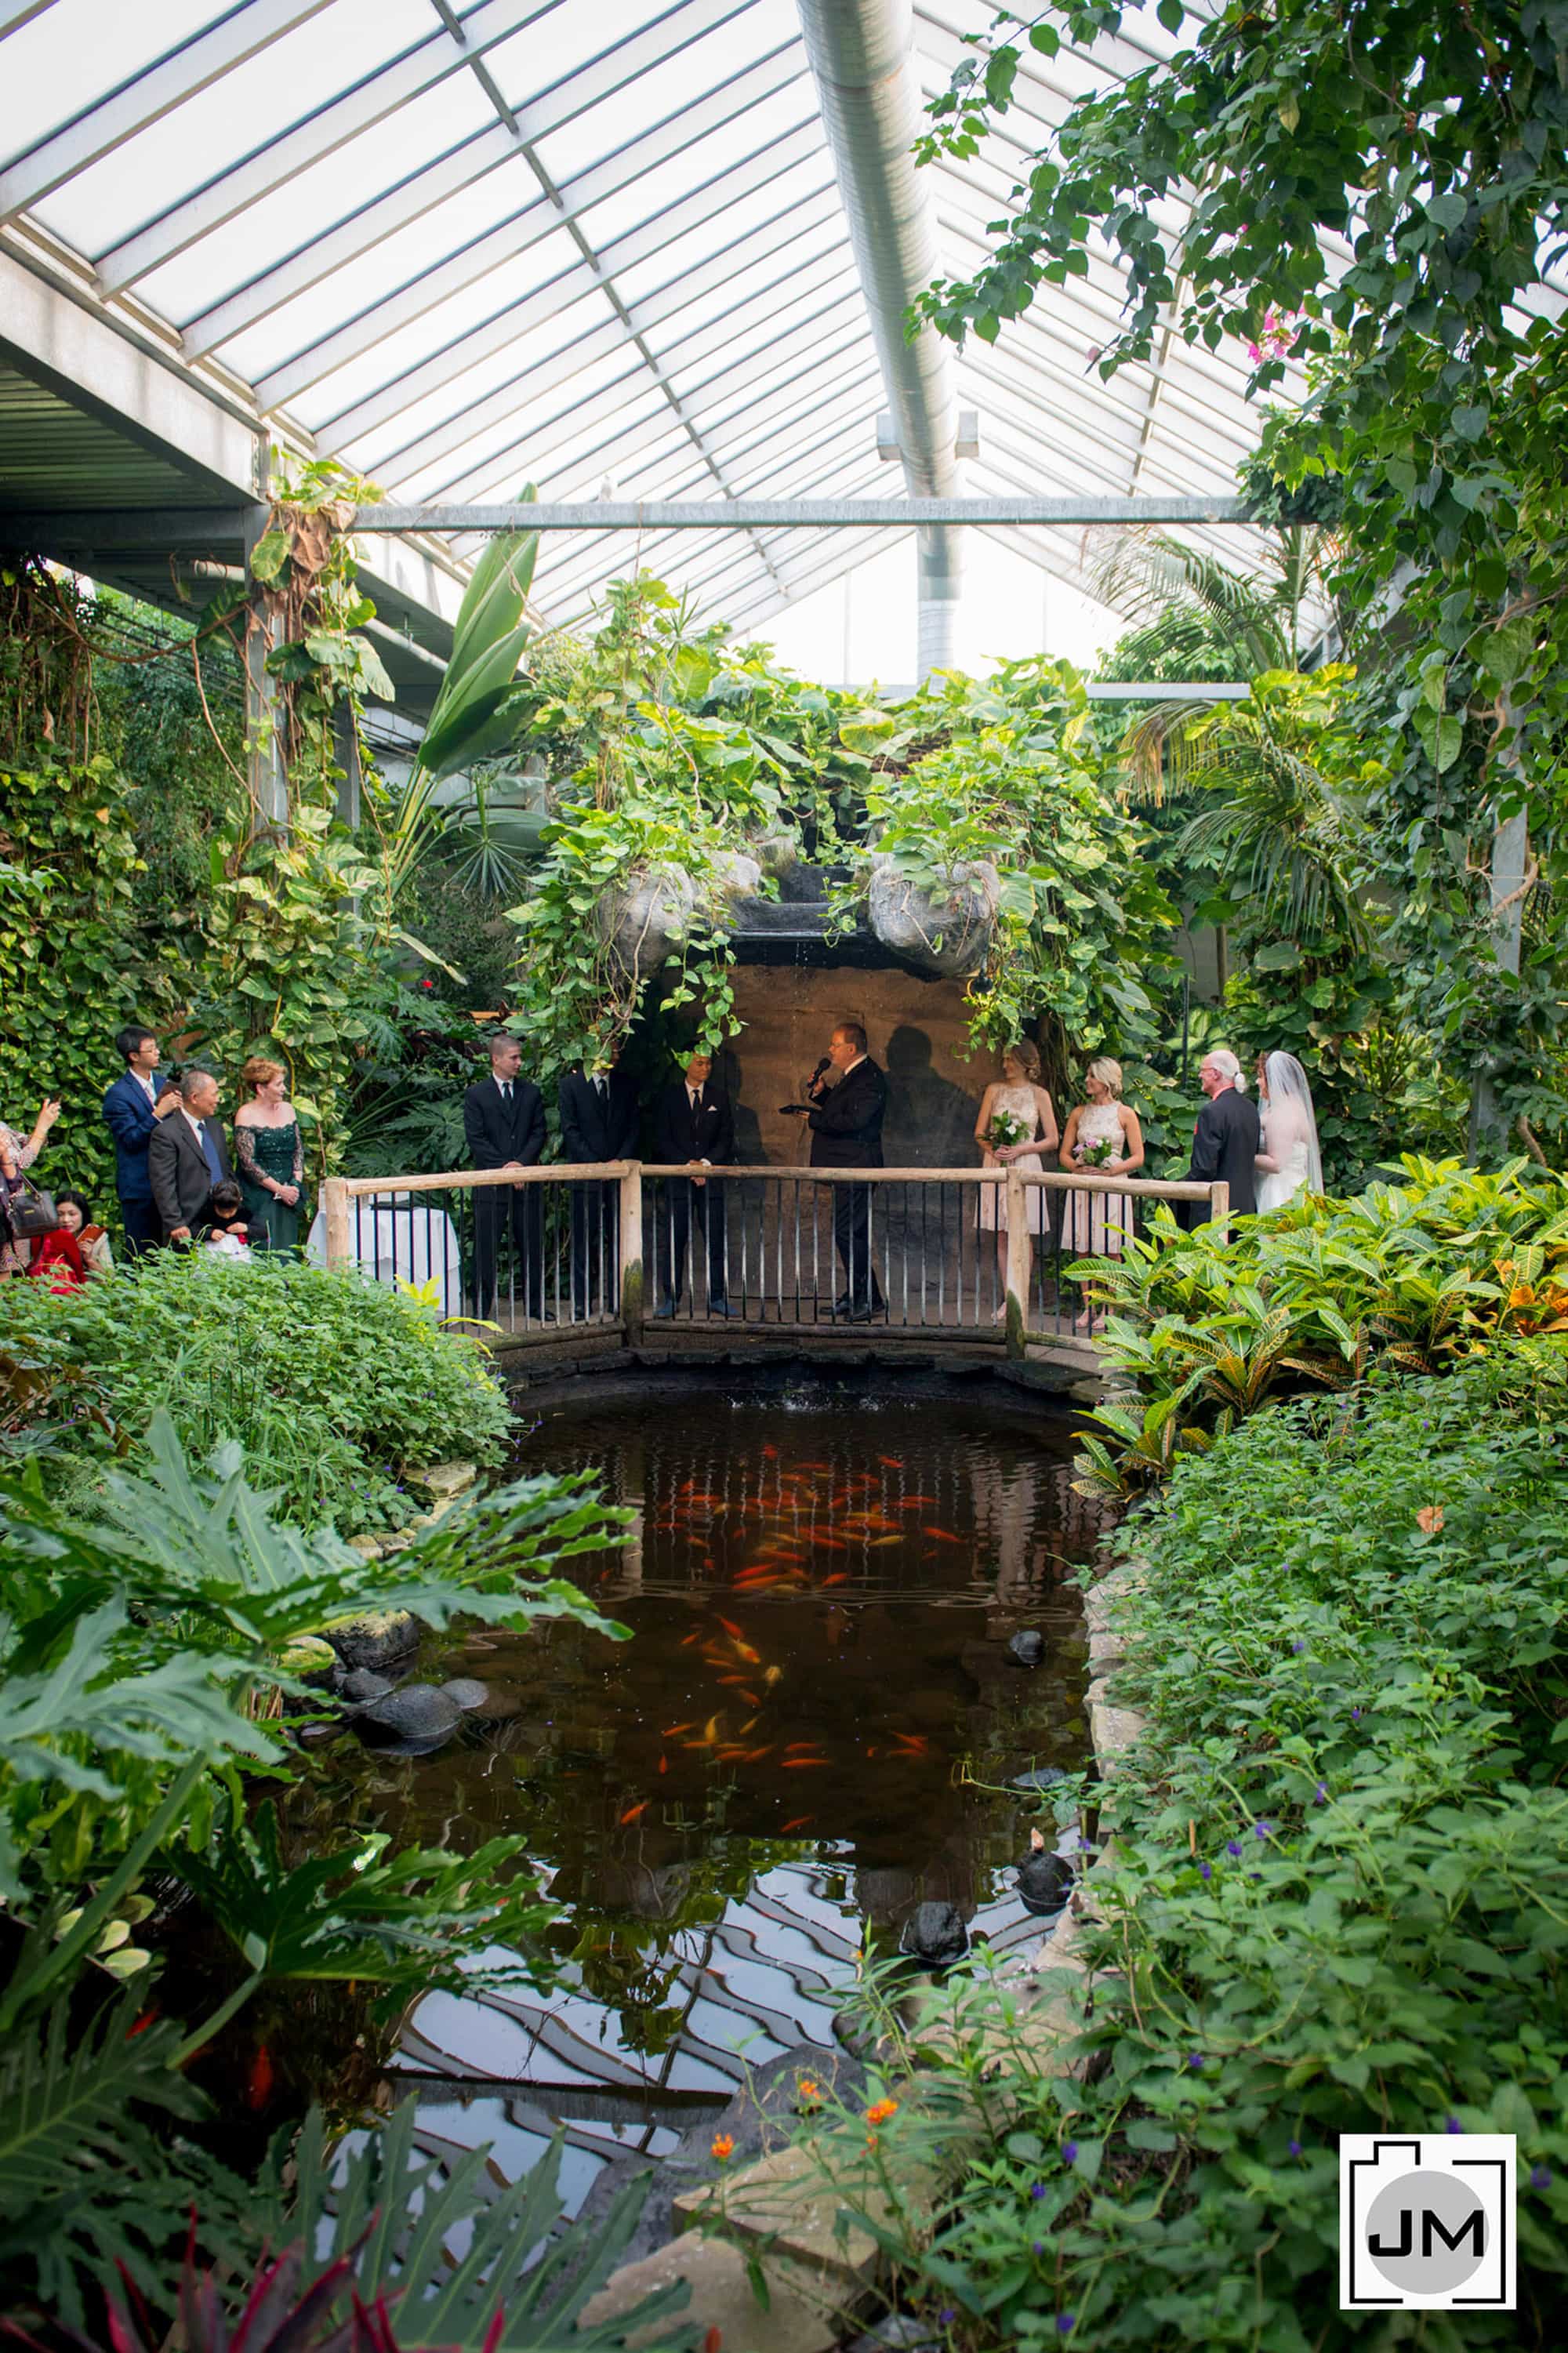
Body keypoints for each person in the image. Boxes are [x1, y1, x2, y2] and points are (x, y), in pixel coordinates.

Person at [801, 1021, 887, 1320]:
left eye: (835, 1045)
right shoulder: (854, 1076)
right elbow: (844, 1110)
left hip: (858, 1167)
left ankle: (864, 1299)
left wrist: (814, 1118)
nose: (830, 1050)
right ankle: (863, 1296)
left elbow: (855, 1121)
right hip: (847, 1167)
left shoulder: (870, 1078)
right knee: (850, 1233)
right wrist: (824, 1095)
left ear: (851, 1049)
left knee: (849, 1233)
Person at [975, 1040, 1059, 1324]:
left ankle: (1020, 1296)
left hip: (1024, 1163)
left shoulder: (1040, 1095)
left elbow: (1052, 1139)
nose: (1006, 1065)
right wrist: (994, 1149)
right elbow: (980, 1132)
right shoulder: (994, 1091)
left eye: (1011, 1060)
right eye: (1004, 1060)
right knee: (1001, 1232)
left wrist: (1021, 1149)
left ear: (1025, 1063)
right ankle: (1007, 1298)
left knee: (1021, 1232)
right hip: (997, 1162)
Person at [463, 1033, 547, 1318]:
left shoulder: (531, 1092)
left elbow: (539, 1132)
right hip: (491, 1182)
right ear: (495, 1059)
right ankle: (481, 1310)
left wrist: (521, 1164)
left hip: (525, 1181)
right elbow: (476, 1138)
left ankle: (535, 1307)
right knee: (485, 1246)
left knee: (532, 1246)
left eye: (520, 1057)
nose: (519, 1063)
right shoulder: (477, 1095)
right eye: (513, 1058)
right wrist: (506, 1168)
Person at [651, 1048, 737, 1318]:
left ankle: (717, 1297)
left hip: (709, 1180)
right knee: (675, 1240)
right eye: (700, 1063)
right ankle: (670, 1297)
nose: (706, 1068)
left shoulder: (719, 1098)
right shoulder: (668, 1098)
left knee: (715, 1239)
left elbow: (726, 1138)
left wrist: (707, 1165)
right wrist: (687, 1165)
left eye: (709, 1063)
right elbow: (662, 1138)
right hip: (679, 1179)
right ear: (686, 1064)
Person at [1060, 1058, 1145, 1329]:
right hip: (1084, 1185)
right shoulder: (1078, 1113)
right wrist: (1078, 1167)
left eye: (1091, 1076)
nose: (1086, 1080)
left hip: (1112, 1185)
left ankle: (1109, 1306)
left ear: (1106, 1080)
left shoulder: (1125, 1113)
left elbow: (1139, 1156)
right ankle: (1089, 1307)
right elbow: (1064, 1153)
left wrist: (1110, 1171)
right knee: (1083, 1247)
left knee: (1111, 1249)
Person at [558, 1040, 640, 1316]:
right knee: (583, 1240)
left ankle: (618, 1299)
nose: (616, 1056)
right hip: (586, 1175)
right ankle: (582, 1302)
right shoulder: (571, 1086)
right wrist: (596, 1164)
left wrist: (618, 1162)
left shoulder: (627, 1085)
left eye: (618, 1051)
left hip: (618, 1176)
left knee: (618, 1239)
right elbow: (570, 1130)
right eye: (612, 1050)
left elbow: (633, 1127)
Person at [103, 1026, 178, 1259]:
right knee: (142, 1254)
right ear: (134, 1056)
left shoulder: (162, 1082)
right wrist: (157, 1114)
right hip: (140, 1187)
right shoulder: (118, 1094)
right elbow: (130, 1139)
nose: (157, 1053)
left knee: (175, 1253)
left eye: (157, 1048)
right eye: (150, 1050)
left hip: (170, 1182)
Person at [147, 1068, 232, 1246]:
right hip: (188, 1224)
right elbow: (163, 1183)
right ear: (194, 1098)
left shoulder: (215, 1127)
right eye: (214, 1094)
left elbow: (225, 1169)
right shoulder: (166, 1133)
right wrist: (174, 1222)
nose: (218, 1100)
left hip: (222, 1220)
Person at [1181, 1048, 1261, 1226]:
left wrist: (1181, 1189)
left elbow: (1204, 1167)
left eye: (1203, 1071)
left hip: (1215, 1209)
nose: (1200, 1076)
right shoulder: (1250, 1107)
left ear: (1215, 1074)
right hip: (1245, 1207)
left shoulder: (1212, 1111)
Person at [234, 1055, 305, 1251]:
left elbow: (298, 1150)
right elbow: (248, 1162)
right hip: (260, 1194)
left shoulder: (288, 1109)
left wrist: (294, 1185)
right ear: (261, 1088)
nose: (284, 1088)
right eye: (279, 1084)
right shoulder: (246, 1114)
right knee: (265, 1246)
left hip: (289, 1191)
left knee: (288, 1246)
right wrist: (278, 1190)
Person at [1254, 1050, 1323, 1213]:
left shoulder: (1283, 1113)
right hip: (1291, 1184)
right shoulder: (1294, 1106)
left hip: (1281, 1192)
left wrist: (1240, 1155)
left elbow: (1277, 1164)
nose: (1258, 1082)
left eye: (1261, 1076)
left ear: (1273, 1080)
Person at [0, 1098, 60, 1278]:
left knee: (8, 1272)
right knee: (5, 1277)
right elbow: (21, 1162)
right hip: (6, 1213)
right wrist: (41, 1128)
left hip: (8, 1215)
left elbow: (24, 1143)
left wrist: (41, 1131)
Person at [55, 1191, 114, 1276]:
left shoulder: (96, 1236)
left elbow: (111, 1277)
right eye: (60, 1214)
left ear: (83, 1214)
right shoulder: (50, 1236)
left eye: (72, 1214)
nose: (65, 1220)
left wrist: (89, 1260)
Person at [204, 1177, 256, 1258]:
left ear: (239, 1202)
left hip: (238, 1252)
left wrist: (247, 1228)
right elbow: (193, 1229)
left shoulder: (244, 1212)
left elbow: (263, 1230)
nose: (226, 1216)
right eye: (222, 1212)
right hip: (212, 1252)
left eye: (231, 1212)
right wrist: (209, 1233)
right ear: (214, 1205)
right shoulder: (206, 1212)